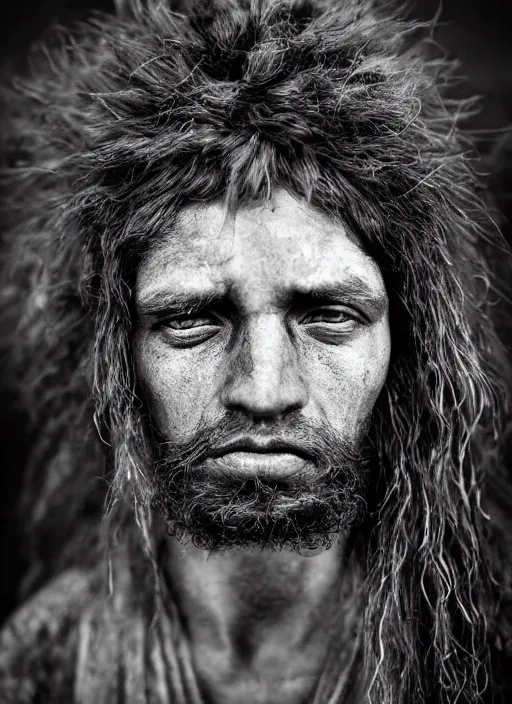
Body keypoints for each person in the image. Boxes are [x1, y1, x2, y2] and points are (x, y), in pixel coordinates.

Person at [0, 0, 511, 702]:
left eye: (328, 316)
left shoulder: (487, 649)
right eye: (192, 319)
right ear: (116, 359)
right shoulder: (42, 667)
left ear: (411, 346)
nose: (265, 390)